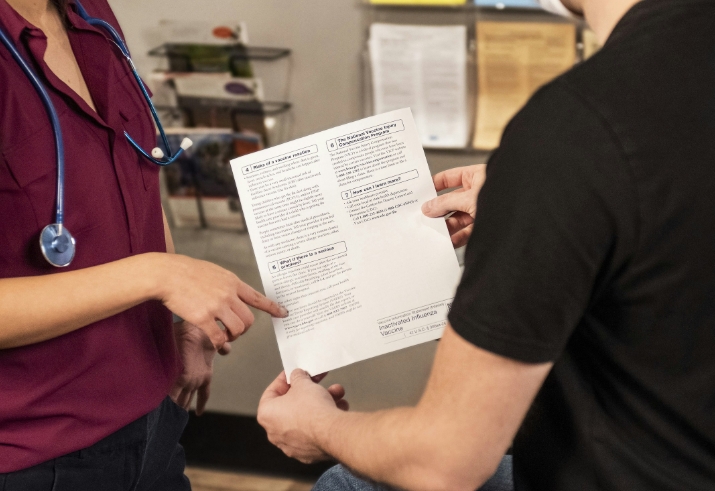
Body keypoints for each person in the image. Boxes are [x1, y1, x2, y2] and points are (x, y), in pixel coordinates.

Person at [256, 0, 715, 489]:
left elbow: (445, 464)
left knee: (342, 486)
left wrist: (319, 428)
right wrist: (542, 197)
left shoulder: (576, 126)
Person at [0, 0, 287, 489]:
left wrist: (179, 317)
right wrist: (158, 277)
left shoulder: (89, 13)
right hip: (36, 453)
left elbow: (137, 171)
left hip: (152, 426)